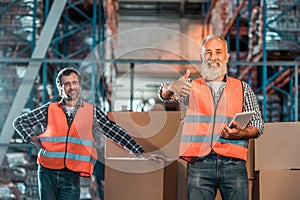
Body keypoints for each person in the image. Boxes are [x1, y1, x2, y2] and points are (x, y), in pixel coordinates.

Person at [13, 67, 165, 200]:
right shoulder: (49, 109)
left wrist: (141, 152)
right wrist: (33, 139)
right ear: (60, 88)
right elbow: (19, 122)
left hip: (71, 175)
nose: (71, 87)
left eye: (74, 83)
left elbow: (115, 132)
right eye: (67, 84)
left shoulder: (92, 112)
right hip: (47, 172)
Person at [159, 34, 264, 200]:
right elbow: (164, 95)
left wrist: (241, 133)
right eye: (208, 52)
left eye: (218, 52)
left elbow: (258, 124)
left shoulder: (242, 88)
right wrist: (172, 86)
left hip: (234, 165)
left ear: (227, 56)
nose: (213, 57)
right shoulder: (190, 87)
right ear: (202, 57)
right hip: (200, 164)